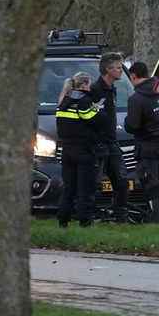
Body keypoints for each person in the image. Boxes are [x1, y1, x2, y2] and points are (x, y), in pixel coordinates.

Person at [125, 61, 159, 223]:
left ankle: (156, 220)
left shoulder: (136, 99)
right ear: (148, 74)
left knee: (150, 181)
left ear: (133, 76)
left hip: (148, 144)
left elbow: (133, 125)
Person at [56, 72, 106, 228]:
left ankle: (63, 221)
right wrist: (99, 109)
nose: (90, 87)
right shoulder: (84, 102)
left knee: (69, 188)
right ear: (84, 85)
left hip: (67, 151)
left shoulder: (63, 101)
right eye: (89, 85)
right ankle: (84, 221)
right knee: (86, 188)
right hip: (84, 151)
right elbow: (99, 122)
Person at [90, 52, 130, 223]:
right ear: (108, 69)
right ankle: (90, 217)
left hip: (113, 143)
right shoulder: (95, 91)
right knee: (95, 184)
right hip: (98, 144)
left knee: (122, 180)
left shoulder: (112, 90)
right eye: (119, 67)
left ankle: (121, 216)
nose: (122, 71)